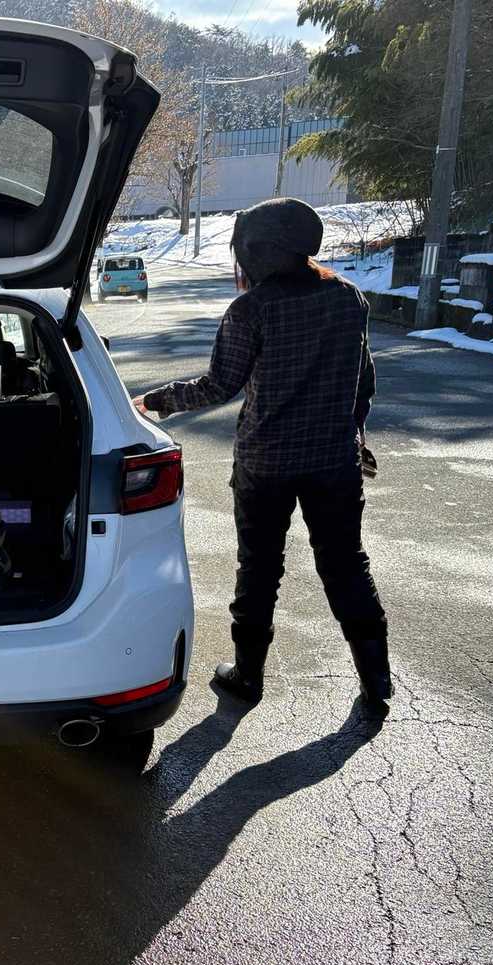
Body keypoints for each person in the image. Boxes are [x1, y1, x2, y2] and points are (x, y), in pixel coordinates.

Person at [132, 197, 392, 718]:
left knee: (259, 568)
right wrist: (355, 434)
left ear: (257, 251)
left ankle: (247, 676)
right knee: (346, 565)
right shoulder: (349, 298)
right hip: (333, 461)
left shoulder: (252, 309)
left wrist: (154, 401)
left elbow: (218, 385)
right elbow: (363, 381)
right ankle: (376, 678)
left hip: (265, 465)